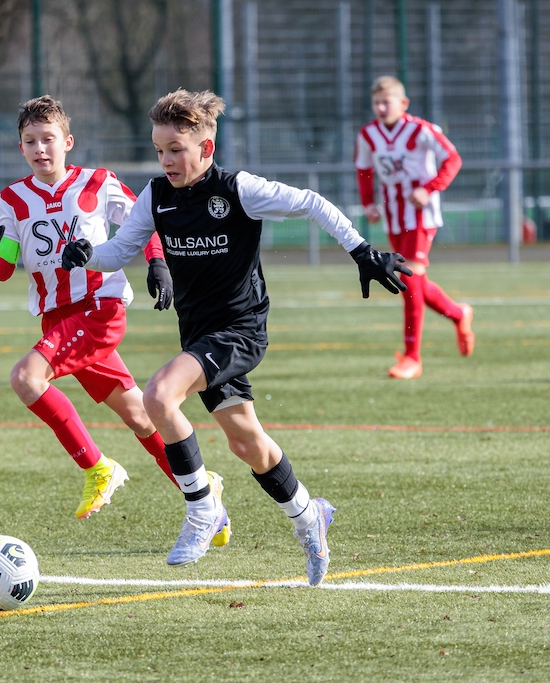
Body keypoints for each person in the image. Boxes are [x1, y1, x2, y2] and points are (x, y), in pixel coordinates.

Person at [61, 89, 409, 584]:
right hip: (198, 334)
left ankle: (203, 508)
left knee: (159, 394)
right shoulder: (156, 196)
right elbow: (118, 251)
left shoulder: (239, 189)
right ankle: (310, 514)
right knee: (248, 444)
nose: (166, 160)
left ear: (206, 147)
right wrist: (87, 255)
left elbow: (311, 202)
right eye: (159, 150)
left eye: (176, 149)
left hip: (240, 331)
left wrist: (362, 251)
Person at [0, 95, 229, 541]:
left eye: (48, 139)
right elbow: (3, 270)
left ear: (67, 142)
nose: (40, 149)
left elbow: (146, 221)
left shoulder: (97, 182)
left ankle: (98, 467)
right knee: (141, 417)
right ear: (21, 148)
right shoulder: (11, 200)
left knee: (26, 378)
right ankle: (205, 497)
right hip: (57, 320)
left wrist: (157, 263)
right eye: (30, 141)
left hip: (99, 310)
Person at [355, 75, 474, 379]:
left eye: (387, 102)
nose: (381, 108)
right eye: (376, 103)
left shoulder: (422, 130)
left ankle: (412, 357)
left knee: (408, 280)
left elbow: (453, 159)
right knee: (413, 279)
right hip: (394, 216)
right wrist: (368, 203)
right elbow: (364, 170)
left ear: (403, 103)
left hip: (420, 216)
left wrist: (429, 188)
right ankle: (459, 313)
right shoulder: (368, 134)